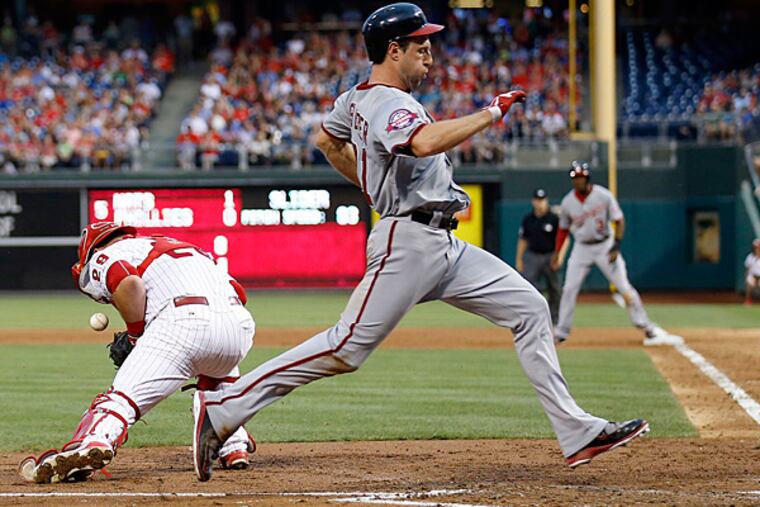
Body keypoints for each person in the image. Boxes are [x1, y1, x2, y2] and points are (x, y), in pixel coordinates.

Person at [191, 3, 649, 482]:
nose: (430, 58)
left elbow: (325, 140)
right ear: (394, 50)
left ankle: (576, 433)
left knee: (531, 309)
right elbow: (423, 143)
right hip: (407, 241)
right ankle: (225, 407)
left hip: (444, 247)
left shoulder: (355, 98)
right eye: (422, 48)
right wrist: (491, 113)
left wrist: (371, 184)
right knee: (346, 348)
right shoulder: (392, 103)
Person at [18, 222, 257, 484]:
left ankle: (91, 442)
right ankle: (233, 443)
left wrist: (135, 335)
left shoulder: (104, 255)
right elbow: (239, 293)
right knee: (217, 375)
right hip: (239, 326)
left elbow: (128, 283)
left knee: (119, 402)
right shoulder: (186, 249)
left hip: (182, 323)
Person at [550, 161, 683, 346]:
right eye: (575, 178)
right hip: (581, 247)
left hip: (605, 245)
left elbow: (619, 220)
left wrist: (616, 245)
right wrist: (557, 253)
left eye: (580, 177)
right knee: (569, 288)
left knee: (624, 288)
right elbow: (563, 230)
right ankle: (561, 332)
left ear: (587, 177)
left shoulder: (603, 196)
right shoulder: (567, 202)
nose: (578, 181)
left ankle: (647, 327)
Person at [516, 188, 563, 324]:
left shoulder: (553, 218)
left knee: (555, 289)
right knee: (529, 288)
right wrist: (519, 259)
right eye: (537, 200)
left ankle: (554, 319)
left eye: (542, 200)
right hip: (533, 256)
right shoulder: (528, 219)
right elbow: (523, 240)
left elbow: (563, 239)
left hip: (550, 255)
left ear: (546, 201)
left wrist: (559, 256)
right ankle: (533, 317)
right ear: (533, 201)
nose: (539, 203)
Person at [744, 238, 760, 305]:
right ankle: (748, 300)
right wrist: (746, 278)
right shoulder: (750, 257)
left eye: (758, 247)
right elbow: (747, 269)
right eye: (756, 247)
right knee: (749, 281)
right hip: (753, 276)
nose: (757, 249)